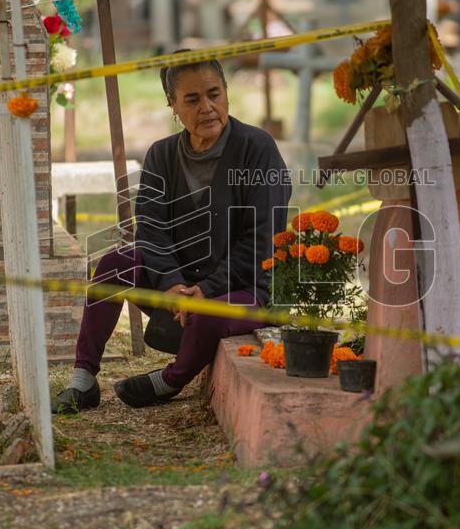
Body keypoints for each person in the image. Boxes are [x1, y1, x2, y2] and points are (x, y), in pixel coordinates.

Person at [51, 56, 291, 412]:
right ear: (173, 105)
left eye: (214, 94)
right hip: (178, 289)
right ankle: (83, 380)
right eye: (192, 99)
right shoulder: (161, 155)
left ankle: (170, 380)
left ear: (226, 95)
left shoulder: (257, 149)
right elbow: (151, 230)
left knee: (208, 310)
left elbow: (262, 238)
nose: (207, 107)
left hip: (245, 290)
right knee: (115, 263)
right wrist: (172, 285)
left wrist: (205, 290)